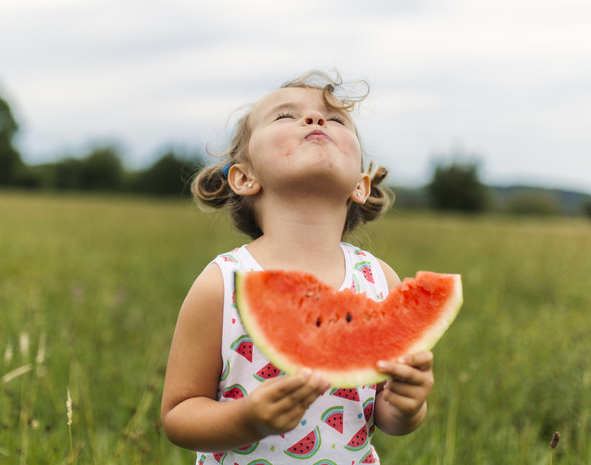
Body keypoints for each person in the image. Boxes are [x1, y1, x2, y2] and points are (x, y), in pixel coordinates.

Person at [161, 70, 435, 463]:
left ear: (361, 185)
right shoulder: (222, 284)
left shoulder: (379, 282)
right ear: (244, 176)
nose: (316, 119)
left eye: (337, 119)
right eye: (286, 116)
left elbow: (384, 417)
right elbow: (177, 414)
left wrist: (408, 406)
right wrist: (246, 419)